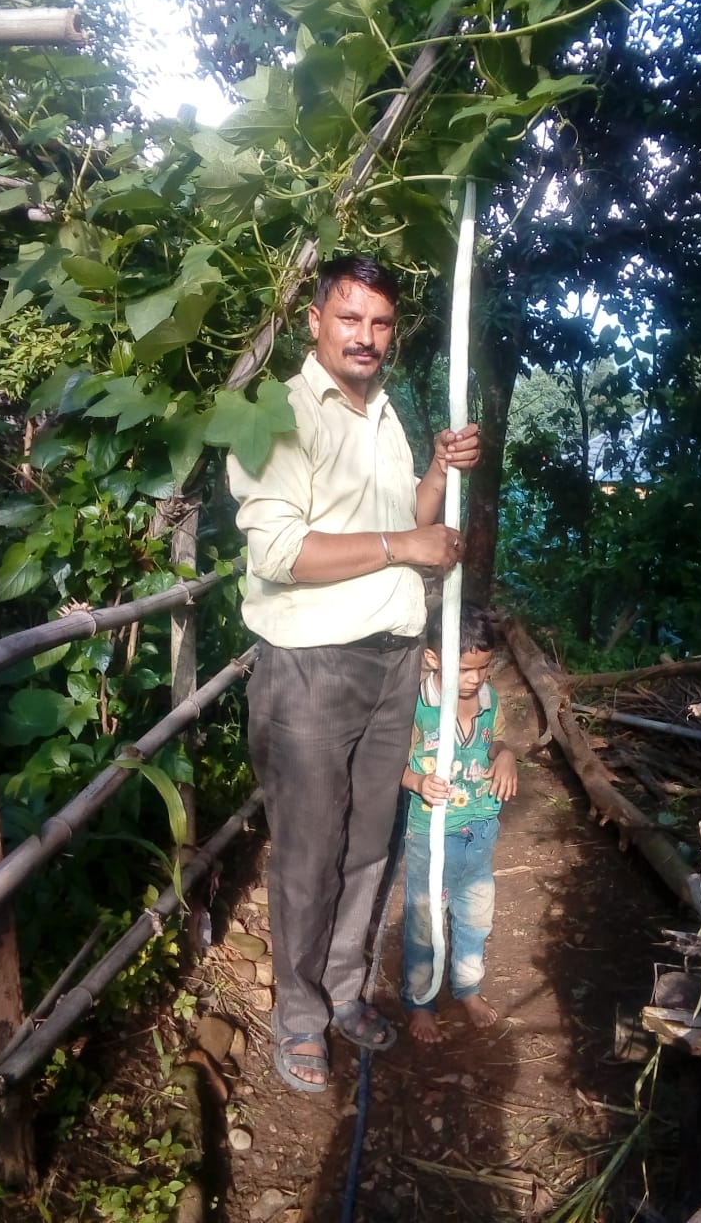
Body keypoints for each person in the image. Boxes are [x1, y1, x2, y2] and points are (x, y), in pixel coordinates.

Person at [227, 254, 480, 1093]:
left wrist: (441, 470)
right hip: (310, 668)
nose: (365, 336)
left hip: (392, 660)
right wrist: (408, 548)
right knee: (309, 852)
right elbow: (280, 550)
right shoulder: (277, 414)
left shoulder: (383, 413)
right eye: (349, 318)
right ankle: (297, 1019)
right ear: (314, 321)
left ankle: (340, 991)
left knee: (371, 843)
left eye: (378, 323)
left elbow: (405, 518)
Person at [400, 601, 518, 1044]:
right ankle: (419, 1001)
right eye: (466, 670)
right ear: (432, 659)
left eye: (483, 669)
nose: (475, 680)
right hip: (431, 834)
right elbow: (388, 761)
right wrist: (415, 780)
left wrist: (505, 756)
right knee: (424, 923)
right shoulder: (415, 705)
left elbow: (496, 741)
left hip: (481, 831)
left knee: (475, 916)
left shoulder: (490, 700)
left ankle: (467, 988)